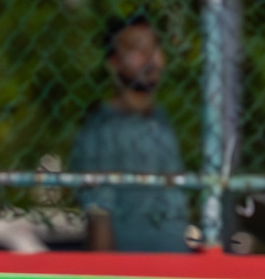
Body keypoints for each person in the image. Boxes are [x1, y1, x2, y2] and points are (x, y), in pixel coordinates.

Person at [68, 13, 192, 252]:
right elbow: (99, 215)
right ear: (114, 61)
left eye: (154, 46)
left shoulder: (162, 120)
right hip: (133, 270)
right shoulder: (102, 129)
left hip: (176, 265)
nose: (150, 58)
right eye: (137, 48)